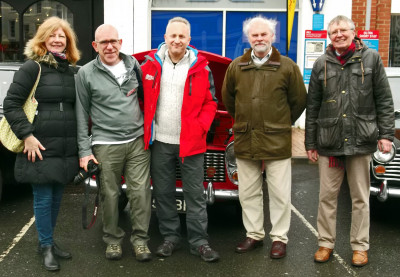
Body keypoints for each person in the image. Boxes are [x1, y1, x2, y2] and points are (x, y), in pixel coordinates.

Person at [305, 15, 394, 267]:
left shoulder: (371, 59)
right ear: (329, 36)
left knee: (360, 197)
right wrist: (310, 143)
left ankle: (360, 246)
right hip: (330, 141)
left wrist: (386, 135)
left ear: (354, 33)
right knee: (327, 197)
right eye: (334, 32)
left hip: (361, 138)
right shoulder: (321, 63)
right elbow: (313, 107)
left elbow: (384, 99)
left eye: (343, 30)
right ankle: (325, 243)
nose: (339, 34)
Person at [222, 15, 307, 259]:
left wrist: (281, 122)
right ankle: (254, 234)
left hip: (276, 138)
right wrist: (243, 120)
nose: (259, 38)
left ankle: (279, 238)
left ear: (272, 37)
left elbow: (299, 100)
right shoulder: (236, 66)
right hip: (246, 137)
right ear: (248, 38)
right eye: (254, 35)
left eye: (264, 34)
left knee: (280, 193)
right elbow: (229, 100)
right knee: (248, 191)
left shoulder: (288, 66)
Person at [3, 17, 80, 271]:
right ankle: (46, 247)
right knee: (43, 198)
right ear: (43, 39)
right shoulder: (31, 68)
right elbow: (11, 104)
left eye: (62, 37)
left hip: (65, 146)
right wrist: (27, 135)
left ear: (68, 42)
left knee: (57, 198)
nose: (58, 40)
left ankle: (46, 241)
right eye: (52, 36)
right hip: (39, 144)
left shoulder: (71, 70)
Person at [141, 17, 219, 262]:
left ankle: (199, 242)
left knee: (194, 194)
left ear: (189, 40)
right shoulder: (149, 65)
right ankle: (170, 238)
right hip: (160, 142)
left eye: (181, 36)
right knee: (163, 193)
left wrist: (201, 127)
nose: (176, 40)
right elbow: (140, 100)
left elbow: (211, 102)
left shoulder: (201, 67)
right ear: (164, 38)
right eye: (172, 36)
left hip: (191, 143)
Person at [75, 24, 152, 262]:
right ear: (94, 46)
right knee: (109, 195)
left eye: (113, 41)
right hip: (105, 144)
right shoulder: (85, 74)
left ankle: (140, 241)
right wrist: (84, 151)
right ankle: (113, 240)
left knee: (140, 193)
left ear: (120, 42)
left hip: (137, 141)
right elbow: (81, 113)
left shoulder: (134, 66)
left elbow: (145, 99)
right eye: (103, 42)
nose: (109, 46)